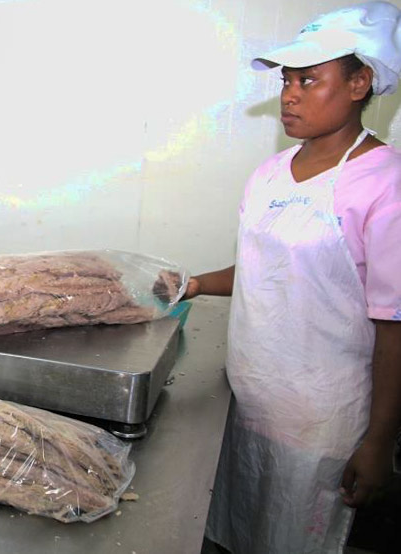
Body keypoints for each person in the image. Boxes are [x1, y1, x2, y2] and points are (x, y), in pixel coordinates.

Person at [190, 3, 401, 553]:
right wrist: (192, 284)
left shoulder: (385, 184)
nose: (289, 95)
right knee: (238, 533)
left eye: (310, 80)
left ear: (361, 83)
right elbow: (272, 270)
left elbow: (395, 324)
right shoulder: (268, 175)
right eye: (287, 80)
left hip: (320, 422)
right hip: (247, 401)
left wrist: (380, 442)